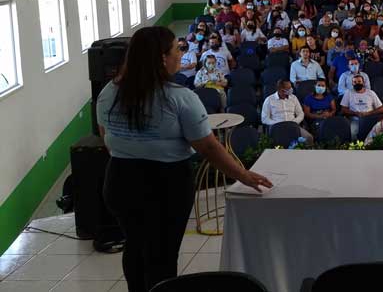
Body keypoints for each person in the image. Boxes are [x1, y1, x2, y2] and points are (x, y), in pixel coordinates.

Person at [98, 27, 270, 292]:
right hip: (164, 185)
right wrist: (243, 175)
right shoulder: (180, 97)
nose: (182, 53)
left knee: (135, 245)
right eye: (177, 49)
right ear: (162, 58)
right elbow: (209, 148)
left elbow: (106, 135)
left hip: (120, 178)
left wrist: (134, 153)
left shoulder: (110, 91)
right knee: (162, 254)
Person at [341, 74, 383, 139]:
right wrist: (356, 113)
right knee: (353, 134)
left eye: (359, 81)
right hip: (355, 119)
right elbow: (343, 109)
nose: (357, 83)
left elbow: (381, 109)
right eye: (355, 82)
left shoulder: (371, 93)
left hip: (370, 118)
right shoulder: (348, 93)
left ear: (363, 83)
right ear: (352, 84)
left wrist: (369, 113)